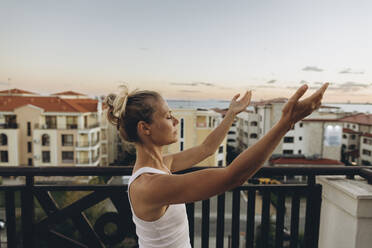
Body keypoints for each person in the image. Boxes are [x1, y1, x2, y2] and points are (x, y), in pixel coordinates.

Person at [105, 83, 329, 248]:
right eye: (167, 116)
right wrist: (285, 123)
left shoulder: (161, 165)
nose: (175, 121)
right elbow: (232, 177)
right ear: (145, 128)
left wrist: (230, 114)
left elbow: (206, 149)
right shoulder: (150, 185)